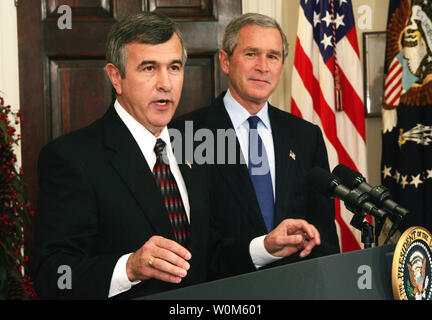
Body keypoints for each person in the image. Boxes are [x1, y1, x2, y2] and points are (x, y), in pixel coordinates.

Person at [33, 12, 210, 299]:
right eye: (149, 68)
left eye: (174, 67)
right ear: (116, 77)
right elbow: (52, 275)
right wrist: (129, 267)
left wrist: (263, 247)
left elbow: (206, 251)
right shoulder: (71, 158)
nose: (165, 83)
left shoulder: (195, 144)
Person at [171, 13, 340, 280]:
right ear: (225, 62)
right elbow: (189, 241)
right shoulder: (185, 134)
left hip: (298, 290)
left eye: (272, 56)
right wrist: (261, 250)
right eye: (251, 54)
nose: (263, 66)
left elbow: (324, 234)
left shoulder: (306, 136)